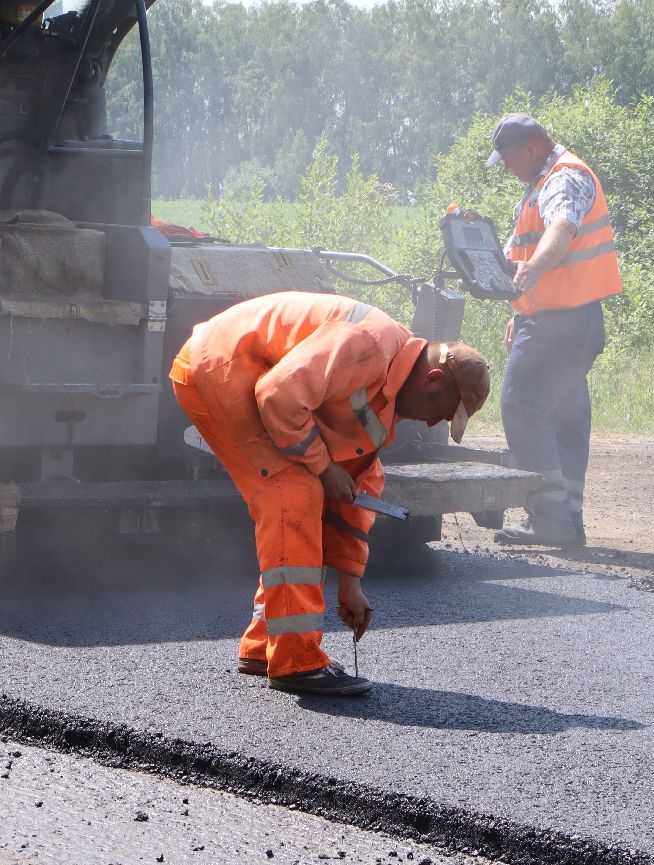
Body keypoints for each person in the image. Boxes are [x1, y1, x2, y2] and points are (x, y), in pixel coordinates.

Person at [170, 291, 490, 697]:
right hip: (220, 365)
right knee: (294, 492)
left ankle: (263, 646)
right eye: (442, 411)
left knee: (305, 491)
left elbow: (358, 484)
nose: (432, 423)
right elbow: (279, 395)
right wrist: (323, 467)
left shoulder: (385, 401)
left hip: (243, 374)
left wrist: (351, 581)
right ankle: (296, 661)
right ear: (434, 379)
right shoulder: (369, 343)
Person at [486, 113, 622, 547]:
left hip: (560, 323)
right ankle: (567, 521)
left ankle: (548, 517)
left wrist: (530, 276)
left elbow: (561, 228)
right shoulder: (541, 182)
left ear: (531, 148)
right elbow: (530, 247)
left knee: (522, 407)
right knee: (564, 415)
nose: (507, 168)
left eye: (508, 158)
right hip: (564, 319)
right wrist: (519, 309)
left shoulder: (563, 179)